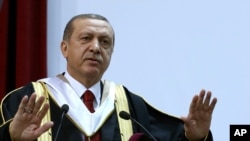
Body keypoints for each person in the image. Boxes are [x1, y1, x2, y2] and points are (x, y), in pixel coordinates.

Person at [0, 13, 217, 141]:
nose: (95, 48)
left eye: (105, 42)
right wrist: (9, 136)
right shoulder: (27, 100)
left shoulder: (130, 106)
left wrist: (195, 138)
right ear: (64, 48)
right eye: (86, 38)